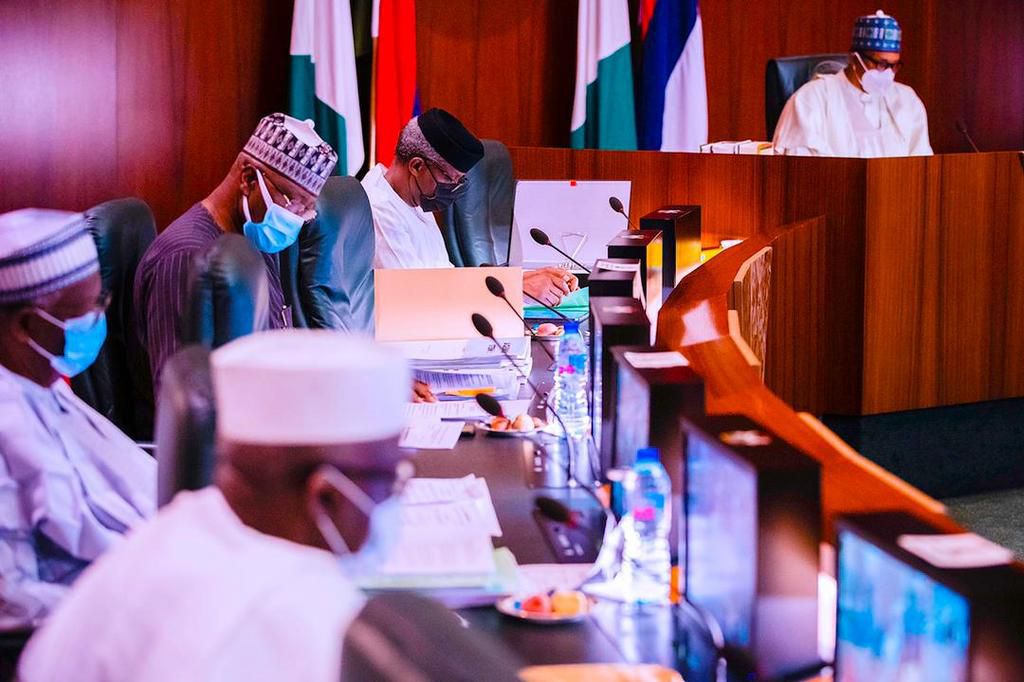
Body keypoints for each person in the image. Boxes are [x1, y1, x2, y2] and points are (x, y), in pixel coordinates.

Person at [19, 329, 412, 681]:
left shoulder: (175, 530)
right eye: (392, 480)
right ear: (325, 496)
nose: (397, 500)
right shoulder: (298, 624)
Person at [0, 209, 155, 629]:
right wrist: (139, 603)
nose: (99, 319)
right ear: (27, 325)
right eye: (86, 311)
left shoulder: (43, 381)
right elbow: (13, 601)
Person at [134, 113, 338, 394]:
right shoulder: (185, 258)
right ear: (248, 179)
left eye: (306, 209)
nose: (295, 219)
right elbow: (185, 402)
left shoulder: (255, 236)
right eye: (291, 203)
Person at [363, 108, 579, 306]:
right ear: (417, 166)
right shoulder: (379, 211)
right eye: (450, 179)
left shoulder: (412, 196)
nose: (454, 189)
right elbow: (416, 298)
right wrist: (516, 290)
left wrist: (523, 278)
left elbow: (443, 277)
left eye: (460, 181)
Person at [772, 10, 932, 158]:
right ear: (855, 58)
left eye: (894, 65)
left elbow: (921, 164)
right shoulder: (811, 99)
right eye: (881, 64)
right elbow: (799, 167)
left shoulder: (907, 100)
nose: (888, 73)